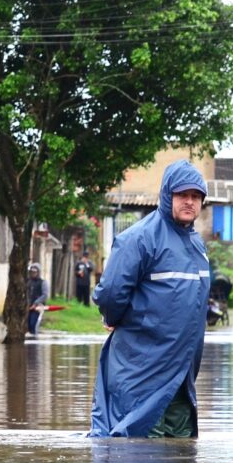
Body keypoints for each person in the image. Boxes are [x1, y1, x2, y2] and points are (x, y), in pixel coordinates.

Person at [90, 161, 211, 438]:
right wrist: (112, 318)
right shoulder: (139, 239)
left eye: (195, 197)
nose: (190, 202)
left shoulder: (196, 245)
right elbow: (110, 293)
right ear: (168, 195)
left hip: (181, 377)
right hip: (142, 374)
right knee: (140, 458)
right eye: (183, 195)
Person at [26, 263, 47, 336]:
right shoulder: (28, 282)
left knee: (33, 324)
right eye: (32, 272)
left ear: (38, 272)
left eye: (35, 272)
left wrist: (35, 303)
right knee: (27, 325)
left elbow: (45, 295)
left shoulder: (43, 282)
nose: (33, 274)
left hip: (37, 307)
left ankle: (34, 341)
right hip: (28, 307)